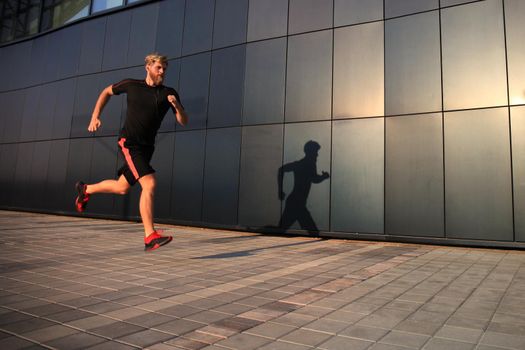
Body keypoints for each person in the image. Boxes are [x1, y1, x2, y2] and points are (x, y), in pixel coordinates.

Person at [75, 53, 188, 252]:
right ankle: (149, 236)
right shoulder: (131, 85)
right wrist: (95, 116)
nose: (162, 72)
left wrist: (177, 106)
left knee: (121, 188)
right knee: (150, 182)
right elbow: (106, 92)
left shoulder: (168, 93)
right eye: (158, 68)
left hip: (146, 148)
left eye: (164, 69)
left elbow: (183, 121)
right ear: (148, 67)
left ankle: (86, 190)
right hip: (129, 143)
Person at [278, 141, 329, 236]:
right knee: (314, 231)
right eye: (315, 152)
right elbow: (314, 179)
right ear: (310, 152)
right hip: (296, 204)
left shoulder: (302, 164)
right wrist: (324, 177)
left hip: (296, 203)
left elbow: (281, 170)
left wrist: (280, 190)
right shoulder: (307, 164)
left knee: (281, 230)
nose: (317, 155)